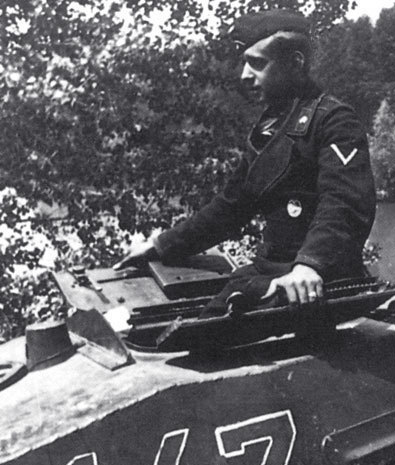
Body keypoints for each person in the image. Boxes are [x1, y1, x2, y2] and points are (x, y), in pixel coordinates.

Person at [115, 9, 376, 310]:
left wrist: (310, 264)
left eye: (257, 63)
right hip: (273, 273)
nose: (244, 75)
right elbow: (230, 207)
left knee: (199, 334)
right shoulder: (271, 126)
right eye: (245, 63)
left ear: (295, 63)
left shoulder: (334, 120)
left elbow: (345, 203)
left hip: (316, 282)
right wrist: (162, 245)